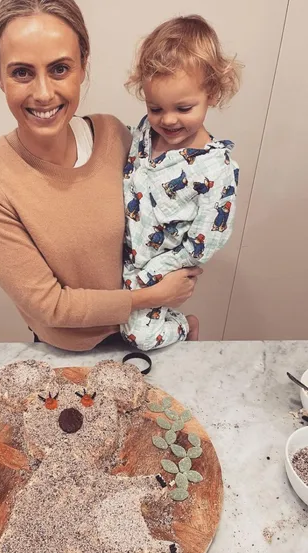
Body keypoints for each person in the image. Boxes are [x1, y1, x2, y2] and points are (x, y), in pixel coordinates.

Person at [0, 0, 203, 351]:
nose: (43, 93)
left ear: (83, 66)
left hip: (155, 333)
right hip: (70, 354)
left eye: (59, 69)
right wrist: (151, 296)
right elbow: (49, 306)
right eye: (22, 72)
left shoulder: (114, 135)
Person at [119, 15, 241, 351]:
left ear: (212, 93)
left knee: (137, 335)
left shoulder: (216, 168)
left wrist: (157, 275)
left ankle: (186, 328)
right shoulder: (144, 133)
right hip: (122, 254)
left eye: (183, 108)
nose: (168, 120)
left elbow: (207, 240)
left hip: (160, 269)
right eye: (155, 107)